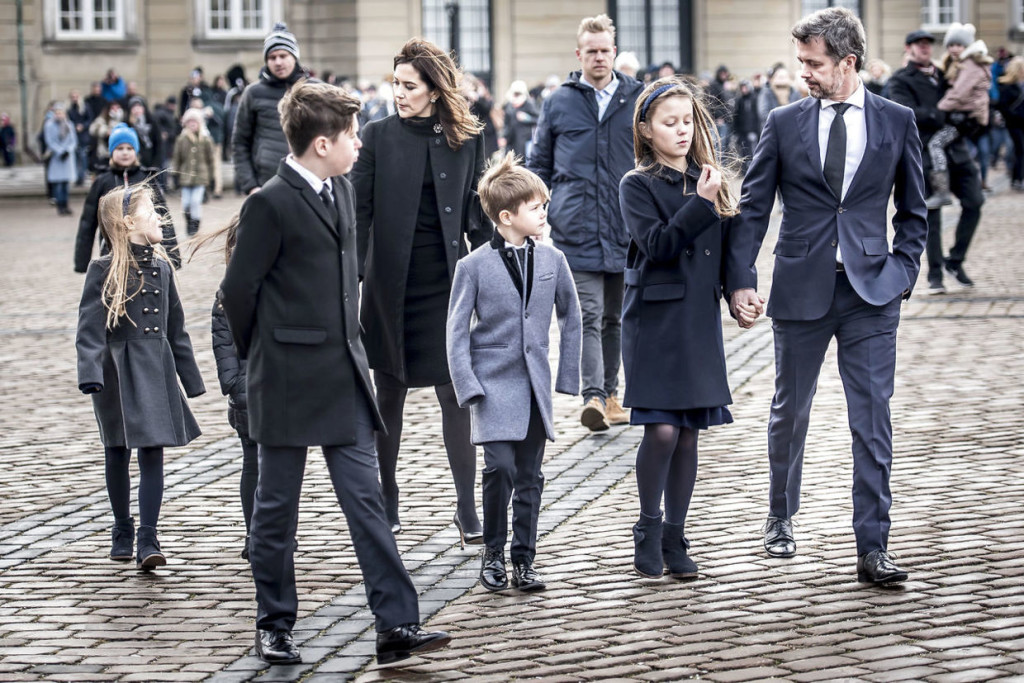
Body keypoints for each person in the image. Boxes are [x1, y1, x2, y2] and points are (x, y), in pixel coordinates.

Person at [219, 79, 451, 667]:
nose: (358, 143)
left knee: (367, 502)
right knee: (276, 511)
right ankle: (274, 624)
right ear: (322, 144)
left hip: (345, 374)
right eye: (350, 134)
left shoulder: (343, 189)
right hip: (285, 380)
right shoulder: (269, 203)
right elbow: (237, 293)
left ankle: (396, 625)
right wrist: (263, 358)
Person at [727, 7, 927, 586]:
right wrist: (741, 279)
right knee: (791, 410)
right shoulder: (783, 122)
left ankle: (874, 547)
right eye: (801, 63)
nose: (804, 74)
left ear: (847, 62)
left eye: (813, 64)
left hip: (872, 294)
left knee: (872, 419)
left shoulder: (896, 120)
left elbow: (914, 212)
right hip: (800, 289)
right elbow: (754, 208)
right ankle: (780, 515)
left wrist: (902, 273)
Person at [351, 38, 488, 539]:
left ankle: (466, 506)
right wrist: (350, 281)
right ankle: (387, 495)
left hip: (446, 284)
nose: (399, 93)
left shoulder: (467, 139)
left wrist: (494, 276)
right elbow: (359, 215)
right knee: (389, 393)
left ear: (434, 89)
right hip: (389, 286)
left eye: (409, 86)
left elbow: (479, 215)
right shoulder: (376, 136)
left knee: (454, 393)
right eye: (396, 84)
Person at [618, 77, 738, 580]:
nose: (682, 130)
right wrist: (702, 203)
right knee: (663, 429)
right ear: (647, 130)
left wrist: (740, 291)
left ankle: (675, 535)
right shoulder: (636, 184)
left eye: (687, 120)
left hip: (697, 319)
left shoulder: (708, 178)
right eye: (670, 123)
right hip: (654, 320)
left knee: (688, 434)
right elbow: (659, 245)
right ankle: (648, 525)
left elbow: (731, 247)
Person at [447, 153, 582, 593]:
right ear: (506, 216)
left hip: (534, 387)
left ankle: (524, 559)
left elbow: (572, 316)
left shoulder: (553, 260)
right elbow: (456, 331)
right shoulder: (472, 266)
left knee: (530, 477)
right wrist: (467, 385)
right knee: (499, 469)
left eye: (544, 206)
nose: (544, 213)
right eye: (536, 207)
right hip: (490, 387)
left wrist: (567, 377)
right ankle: (493, 552)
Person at [76, 182, 204, 569]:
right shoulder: (102, 269)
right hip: (115, 373)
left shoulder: (163, 268)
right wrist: (90, 373)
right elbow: (89, 330)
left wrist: (191, 380)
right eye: (153, 213)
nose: (161, 219)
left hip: (155, 369)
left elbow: (177, 329)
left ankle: (149, 536)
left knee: (153, 450)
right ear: (129, 222)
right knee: (116, 450)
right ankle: (122, 527)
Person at [527, 13, 643, 432]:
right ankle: (593, 395)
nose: (598, 57)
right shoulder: (558, 101)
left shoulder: (637, 98)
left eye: (605, 50)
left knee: (616, 317)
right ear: (579, 55)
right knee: (588, 313)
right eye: (591, 51)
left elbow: (653, 157)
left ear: (615, 52)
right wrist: (537, 212)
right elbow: (539, 163)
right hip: (575, 227)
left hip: (626, 227)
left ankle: (611, 395)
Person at [889, 30, 985, 294]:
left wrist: (970, 121)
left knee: (975, 202)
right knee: (932, 214)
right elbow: (905, 112)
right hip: (925, 154)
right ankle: (935, 275)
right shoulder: (901, 79)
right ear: (908, 48)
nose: (925, 48)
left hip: (958, 152)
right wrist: (941, 116)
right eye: (919, 44)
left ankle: (955, 260)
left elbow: (968, 98)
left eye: (928, 44)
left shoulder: (946, 74)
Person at [188, 216, 258, 559]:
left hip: (283, 394)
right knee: (254, 465)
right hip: (248, 397)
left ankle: (279, 534)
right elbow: (224, 349)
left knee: (284, 471)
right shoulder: (227, 295)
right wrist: (237, 386)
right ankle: (253, 534)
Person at [74, 124, 180, 272]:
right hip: (111, 248)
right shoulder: (102, 181)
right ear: (111, 152)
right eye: (119, 148)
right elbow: (88, 222)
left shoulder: (146, 179)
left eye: (129, 148)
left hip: (145, 247)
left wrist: (172, 255)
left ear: (136, 151)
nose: (125, 152)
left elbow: (162, 214)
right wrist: (82, 261)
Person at [232, 23, 309, 196]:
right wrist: (250, 185)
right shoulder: (253, 93)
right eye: (272, 57)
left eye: (283, 55)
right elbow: (240, 142)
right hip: (266, 183)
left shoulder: (313, 89)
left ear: (294, 56)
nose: (278, 62)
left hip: (309, 181)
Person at [172, 108, 215, 235]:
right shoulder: (181, 139)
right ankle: (189, 222)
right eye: (189, 121)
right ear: (185, 123)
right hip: (186, 177)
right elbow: (177, 158)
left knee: (196, 202)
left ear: (199, 123)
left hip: (201, 176)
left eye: (194, 121)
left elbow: (211, 159)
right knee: (186, 203)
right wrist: (175, 174)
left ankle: (195, 225)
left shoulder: (206, 140)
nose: (192, 124)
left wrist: (211, 177)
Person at [43, 103, 77, 216]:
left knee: (66, 183)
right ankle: (60, 205)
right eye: (57, 113)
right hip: (56, 157)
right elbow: (50, 141)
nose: (59, 115)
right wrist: (60, 151)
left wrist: (68, 150)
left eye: (61, 112)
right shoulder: (49, 125)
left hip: (67, 157)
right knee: (58, 183)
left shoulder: (69, 124)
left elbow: (73, 140)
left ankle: (66, 204)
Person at [997, 56, 1024, 190]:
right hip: (1014, 124)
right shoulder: (1008, 86)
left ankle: (1017, 177)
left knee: (1018, 150)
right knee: (1020, 149)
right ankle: (1018, 178)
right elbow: (1003, 106)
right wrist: (1015, 116)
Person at [501, 80, 539, 160]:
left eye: (518, 93)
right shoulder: (509, 105)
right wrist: (504, 136)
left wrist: (527, 118)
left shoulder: (528, 104)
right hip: (511, 141)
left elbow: (537, 119)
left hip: (523, 141)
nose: (516, 96)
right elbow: (506, 123)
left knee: (522, 161)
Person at [757, 62, 802, 131]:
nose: (782, 79)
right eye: (779, 77)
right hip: (772, 130)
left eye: (784, 77)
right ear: (772, 79)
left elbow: (800, 113)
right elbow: (764, 114)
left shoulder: (795, 93)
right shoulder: (766, 93)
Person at [67, 90, 93, 186]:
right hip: (73, 135)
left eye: (76, 97)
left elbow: (90, 119)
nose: (74, 99)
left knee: (82, 156)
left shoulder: (84, 107)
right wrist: (74, 126)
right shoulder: (69, 108)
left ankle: (81, 176)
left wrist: (83, 126)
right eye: (73, 97)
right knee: (76, 157)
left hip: (83, 136)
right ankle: (77, 176)